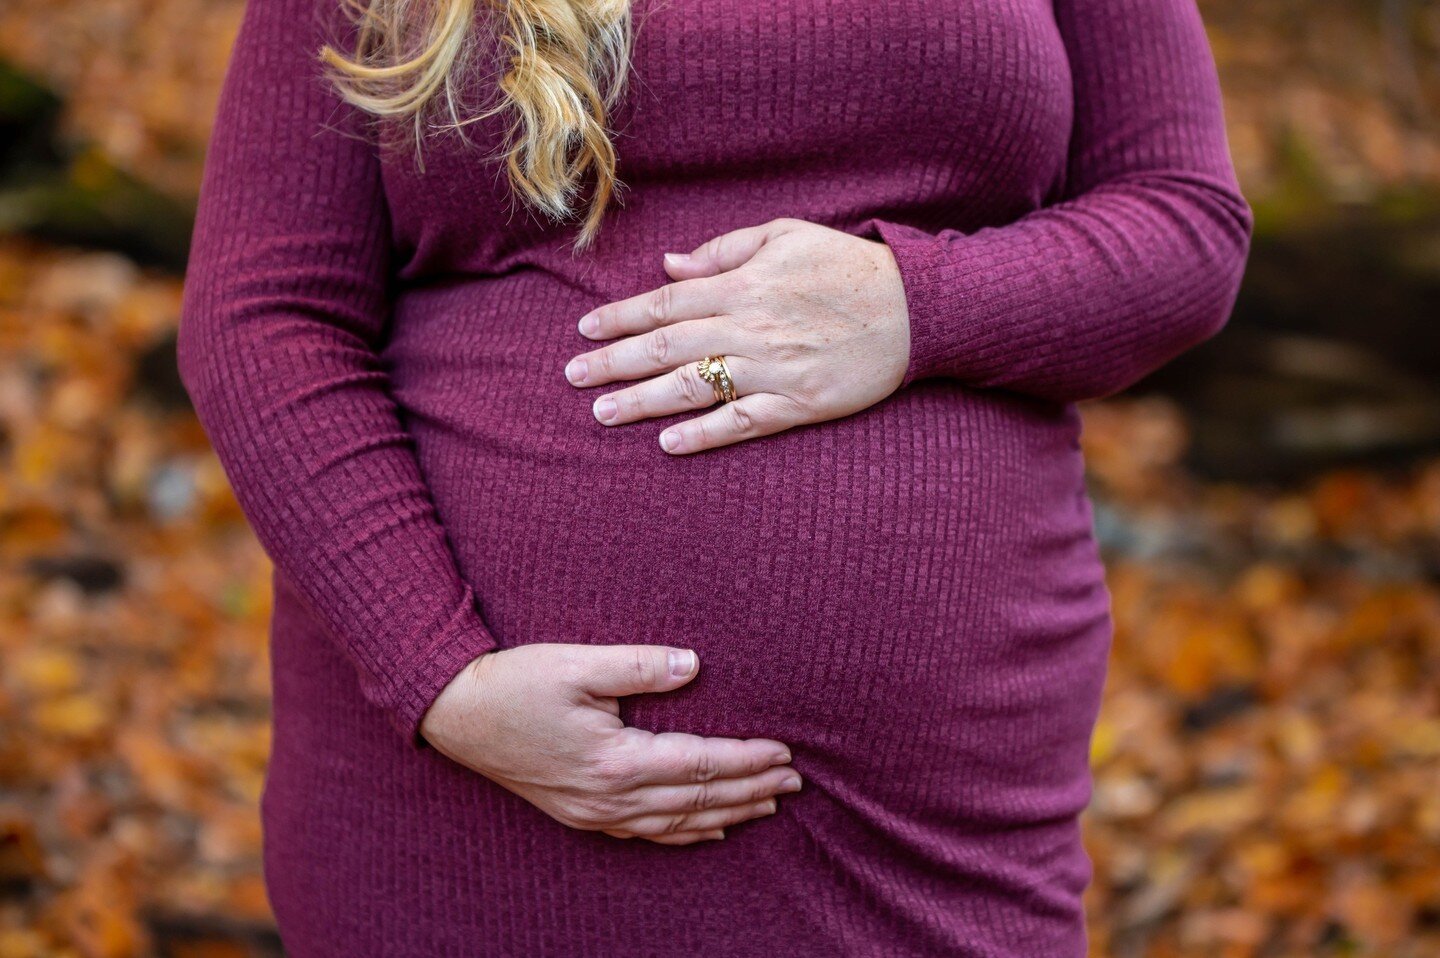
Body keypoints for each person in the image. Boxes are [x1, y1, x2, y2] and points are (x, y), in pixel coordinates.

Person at [177, 0, 1252, 952]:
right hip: (474, 810)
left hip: (924, 832)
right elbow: (266, 312)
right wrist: (438, 673)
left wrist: (917, 303)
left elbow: (1182, 223)